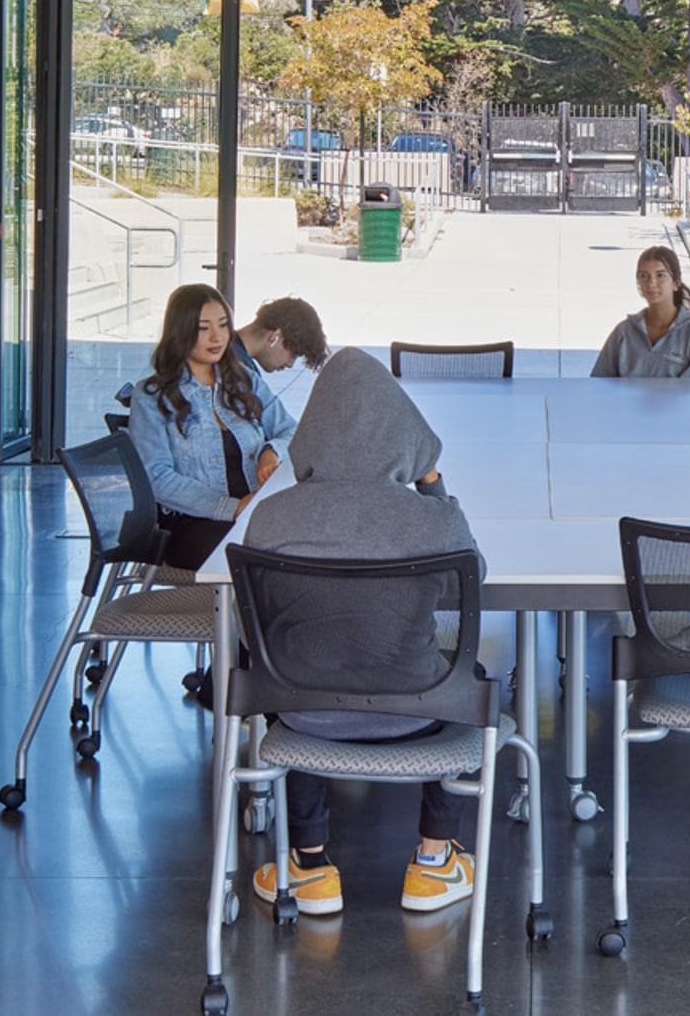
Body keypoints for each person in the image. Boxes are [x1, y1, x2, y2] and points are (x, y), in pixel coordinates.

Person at [242, 347, 482, 916]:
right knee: (462, 670)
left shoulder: (271, 519)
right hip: (416, 713)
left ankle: (309, 866)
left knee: (306, 665)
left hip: (305, 717)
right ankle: (434, 859)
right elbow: (469, 585)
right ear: (405, 435)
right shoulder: (435, 522)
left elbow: (255, 625)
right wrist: (432, 483)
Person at [118, 284, 298, 571]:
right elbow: (156, 477)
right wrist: (232, 508)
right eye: (203, 328)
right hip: (192, 526)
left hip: (254, 515)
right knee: (269, 554)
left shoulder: (244, 381)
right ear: (181, 331)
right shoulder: (152, 395)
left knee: (311, 540)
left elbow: (292, 431)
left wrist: (271, 450)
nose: (217, 337)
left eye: (224, 325)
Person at [588, 245, 690, 378]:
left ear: (676, 283)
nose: (651, 283)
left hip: (674, 399)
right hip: (626, 399)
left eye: (660, 275)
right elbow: (599, 384)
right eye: (644, 276)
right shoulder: (624, 332)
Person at [232, 296, 330, 376]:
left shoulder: (226, 352)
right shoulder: (236, 372)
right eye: (293, 354)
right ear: (275, 337)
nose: (290, 364)